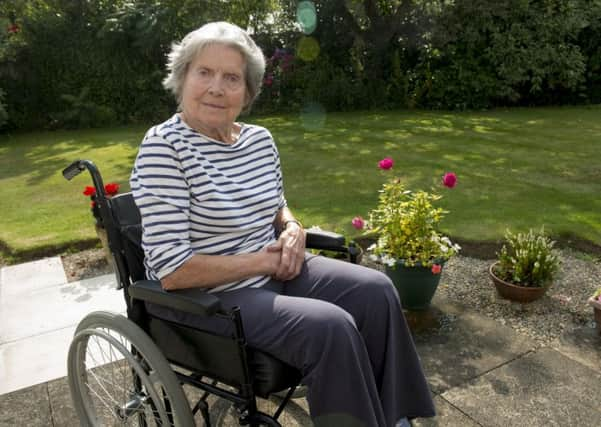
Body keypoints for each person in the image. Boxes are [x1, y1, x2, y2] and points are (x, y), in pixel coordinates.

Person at [130, 21, 435, 427]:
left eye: (231, 77)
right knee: (331, 327)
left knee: (377, 290)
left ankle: (394, 417)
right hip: (211, 295)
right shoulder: (164, 148)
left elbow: (277, 204)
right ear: (182, 77)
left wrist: (293, 229)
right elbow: (172, 271)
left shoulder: (258, 140)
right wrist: (265, 262)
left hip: (275, 269)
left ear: (248, 91)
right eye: (204, 72)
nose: (217, 87)